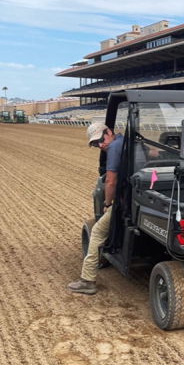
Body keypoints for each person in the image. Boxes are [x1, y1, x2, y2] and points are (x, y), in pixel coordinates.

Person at [68, 123, 124, 295]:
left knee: (98, 231)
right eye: (95, 144)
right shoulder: (127, 141)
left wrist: (107, 204)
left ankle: (87, 280)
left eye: (101, 139)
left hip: (126, 201)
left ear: (109, 132)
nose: (100, 145)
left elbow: (110, 181)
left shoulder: (114, 147)